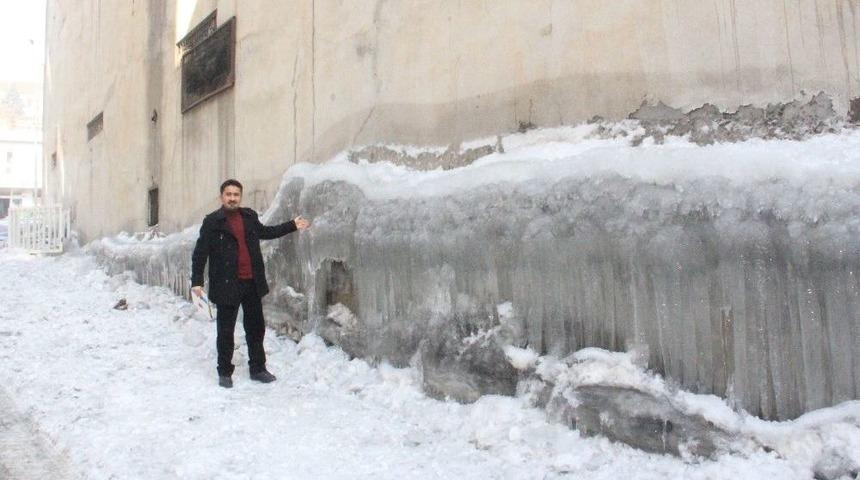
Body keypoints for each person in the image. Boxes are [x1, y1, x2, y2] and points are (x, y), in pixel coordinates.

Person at [191, 179, 310, 388]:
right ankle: (224, 371)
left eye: (236, 194)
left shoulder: (249, 216)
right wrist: (197, 282)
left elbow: (267, 232)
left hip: (251, 282)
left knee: (256, 328)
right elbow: (200, 253)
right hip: (227, 284)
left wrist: (293, 225)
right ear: (222, 197)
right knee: (225, 330)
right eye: (228, 194)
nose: (232, 198)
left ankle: (258, 368)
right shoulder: (212, 221)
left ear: (240, 196)